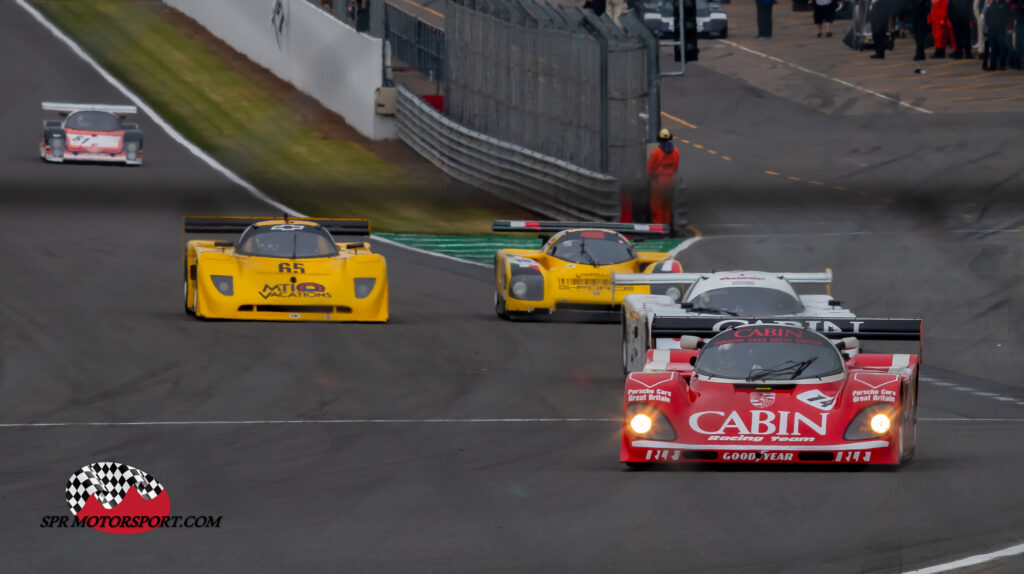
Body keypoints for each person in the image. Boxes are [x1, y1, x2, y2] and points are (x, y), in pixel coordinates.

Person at [646, 129, 680, 226]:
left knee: (657, 205)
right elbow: (676, 167)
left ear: (659, 139)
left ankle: (659, 227)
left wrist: (652, 177)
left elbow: (650, 168)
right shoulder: (676, 152)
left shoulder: (656, 152)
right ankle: (667, 226)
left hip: (658, 181)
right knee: (667, 205)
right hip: (670, 181)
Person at [984, 0, 1011, 68]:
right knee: (993, 49)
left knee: (1002, 48)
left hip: (1001, 30)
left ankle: (1002, 64)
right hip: (992, 31)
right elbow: (987, 16)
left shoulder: (1004, 4)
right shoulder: (992, 5)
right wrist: (990, 26)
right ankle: (993, 65)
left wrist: (1006, 26)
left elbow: (1009, 16)